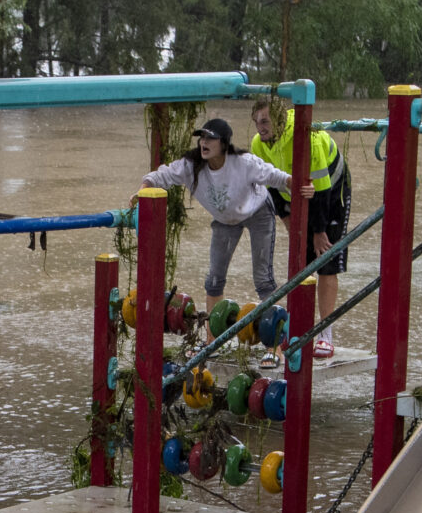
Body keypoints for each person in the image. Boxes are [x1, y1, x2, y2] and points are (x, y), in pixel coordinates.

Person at [140, 117, 312, 368]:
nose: (204, 143)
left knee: (263, 280)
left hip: (258, 213)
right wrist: (142, 189)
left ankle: (275, 346)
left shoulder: (243, 163)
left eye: (210, 138)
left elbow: (276, 177)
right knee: (213, 280)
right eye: (202, 137)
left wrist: (301, 186)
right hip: (224, 220)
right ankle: (212, 341)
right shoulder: (192, 166)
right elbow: (161, 176)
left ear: (224, 143)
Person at [250, 101, 351, 358]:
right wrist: (284, 215)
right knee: (300, 262)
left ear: (280, 122)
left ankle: (325, 334)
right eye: (257, 122)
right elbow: (269, 185)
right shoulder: (257, 145)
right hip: (297, 192)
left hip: (331, 189)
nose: (260, 128)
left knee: (325, 259)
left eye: (265, 122)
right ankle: (298, 330)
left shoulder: (307, 137)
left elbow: (323, 190)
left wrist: (318, 232)